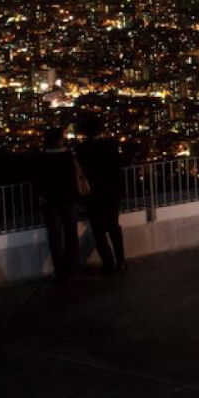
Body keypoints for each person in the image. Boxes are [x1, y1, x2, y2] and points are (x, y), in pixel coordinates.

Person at [75, 114, 126, 274]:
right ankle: (121, 261)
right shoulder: (110, 145)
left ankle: (108, 262)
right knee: (113, 226)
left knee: (98, 229)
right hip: (111, 191)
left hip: (92, 194)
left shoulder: (81, 149)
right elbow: (118, 165)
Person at [34, 126, 84, 281]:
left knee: (55, 237)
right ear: (60, 139)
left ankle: (60, 271)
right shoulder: (68, 156)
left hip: (50, 202)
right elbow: (75, 178)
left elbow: (38, 180)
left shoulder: (41, 157)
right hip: (68, 200)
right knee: (71, 235)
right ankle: (73, 268)